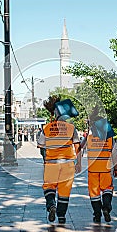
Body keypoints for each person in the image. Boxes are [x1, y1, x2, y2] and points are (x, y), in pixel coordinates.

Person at [37, 96, 81, 224]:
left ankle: (51, 205)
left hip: (51, 164)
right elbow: (77, 146)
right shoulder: (72, 128)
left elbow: (41, 146)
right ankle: (61, 216)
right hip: (68, 164)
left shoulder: (46, 128)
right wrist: (79, 163)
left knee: (49, 187)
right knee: (64, 191)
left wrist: (46, 159)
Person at [84, 112, 117, 223]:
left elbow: (80, 147)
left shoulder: (89, 138)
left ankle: (97, 215)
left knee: (94, 194)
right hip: (106, 169)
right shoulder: (109, 138)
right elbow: (114, 154)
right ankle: (106, 207)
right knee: (107, 189)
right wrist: (116, 167)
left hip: (93, 170)